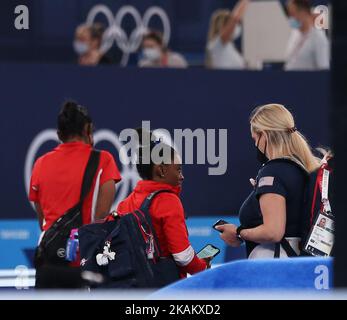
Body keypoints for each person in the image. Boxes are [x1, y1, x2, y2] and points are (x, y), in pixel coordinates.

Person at [216, 104, 327, 258]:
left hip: (274, 267)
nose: (255, 145)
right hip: (295, 262)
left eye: (255, 139)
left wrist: (238, 232)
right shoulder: (302, 169)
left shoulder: (273, 171)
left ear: (264, 135)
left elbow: (273, 232)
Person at [29, 101, 122, 286]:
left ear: (59, 134)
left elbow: (43, 222)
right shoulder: (104, 160)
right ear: (88, 129)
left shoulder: (40, 163)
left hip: (49, 261)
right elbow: (101, 219)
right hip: (83, 263)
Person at [117, 129, 209, 278]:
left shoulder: (124, 204)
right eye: (178, 169)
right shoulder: (169, 201)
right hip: (165, 288)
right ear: (162, 170)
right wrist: (202, 266)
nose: (182, 176)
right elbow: (182, 256)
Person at [284, 0, 330, 70]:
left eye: (292, 14)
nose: (290, 18)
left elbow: (323, 69)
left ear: (303, 13)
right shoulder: (294, 34)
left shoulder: (319, 38)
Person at [205, 0, 249, 69]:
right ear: (223, 27)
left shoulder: (228, 46)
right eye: (231, 25)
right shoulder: (217, 44)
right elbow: (235, 18)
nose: (236, 27)